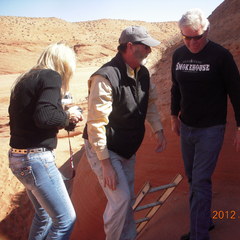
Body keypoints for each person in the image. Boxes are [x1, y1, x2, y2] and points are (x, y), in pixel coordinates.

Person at [82, 25, 166, 240]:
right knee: (120, 200)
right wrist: (105, 163)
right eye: (145, 47)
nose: (149, 51)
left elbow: (151, 104)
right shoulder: (105, 77)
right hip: (105, 148)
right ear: (130, 46)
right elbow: (96, 123)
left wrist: (158, 129)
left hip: (127, 148)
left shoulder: (143, 73)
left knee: (125, 201)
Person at [170, 9, 240, 240]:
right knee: (193, 178)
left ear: (207, 31)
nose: (192, 42)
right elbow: (176, 88)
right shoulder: (178, 55)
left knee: (201, 180)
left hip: (211, 129)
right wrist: (174, 116)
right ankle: (204, 221)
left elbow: (236, 93)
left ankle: (199, 234)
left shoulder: (221, 56)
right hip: (187, 127)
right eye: (187, 37)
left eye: (197, 37)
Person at [8, 42, 83, 240]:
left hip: (18, 158)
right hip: (36, 160)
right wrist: (67, 117)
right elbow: (44, 117)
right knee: (65, 220)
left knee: (44, 217)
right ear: (63, 64)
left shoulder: (25, 79)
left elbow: (33, 117)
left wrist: (64, 116)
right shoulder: (51, 76)